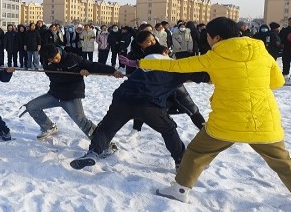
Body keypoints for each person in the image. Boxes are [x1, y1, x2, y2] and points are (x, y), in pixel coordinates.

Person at [139, 17, 291, 202]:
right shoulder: (262, 52)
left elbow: (176, 66)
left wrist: (144, 63)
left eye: (209, 37)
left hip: (227, 121)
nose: (207, 40)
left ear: (217, 38)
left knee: (196, 152)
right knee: (283, 162)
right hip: (262, 120)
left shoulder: (214, 56)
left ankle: (180, 190)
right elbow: (277, 82)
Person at [69, 44, 209, 171]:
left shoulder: (142, 67)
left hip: (122, 99)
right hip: (150, 105)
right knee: (168, 129)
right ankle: (180, 161)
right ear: (165, 52)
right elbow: (201, 75)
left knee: (106, 128)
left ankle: (93, 153)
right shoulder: (172, 66)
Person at [22, 44, 124, 140]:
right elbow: (57, 77)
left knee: (81, 121)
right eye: (52, 60)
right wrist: (78, 72)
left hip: (72, 95)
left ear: (58, 51)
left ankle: (101, 141)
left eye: (56, 57)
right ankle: (48, 127)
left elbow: (92, 65)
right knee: (31, 106)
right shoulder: (46, 63)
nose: (55, 61)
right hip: (54, 94)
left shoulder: (72, 58)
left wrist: (112, 71)